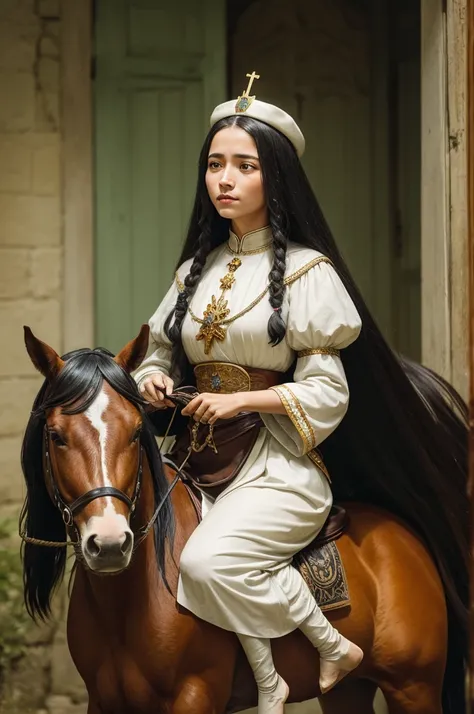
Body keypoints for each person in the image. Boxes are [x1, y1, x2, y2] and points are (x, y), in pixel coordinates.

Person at [134, 73, 468, 712]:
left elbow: (325, 393)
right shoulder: (190, 273)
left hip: (277, 465)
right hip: (198, 464)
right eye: (214, 164)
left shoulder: (310, 275)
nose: (224, 180)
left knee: (204, 566)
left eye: (244, 166)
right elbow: (156, 349)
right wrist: (151, 376)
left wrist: (244, 401)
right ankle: (264, 675)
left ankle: (328, 645)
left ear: (275, 178)